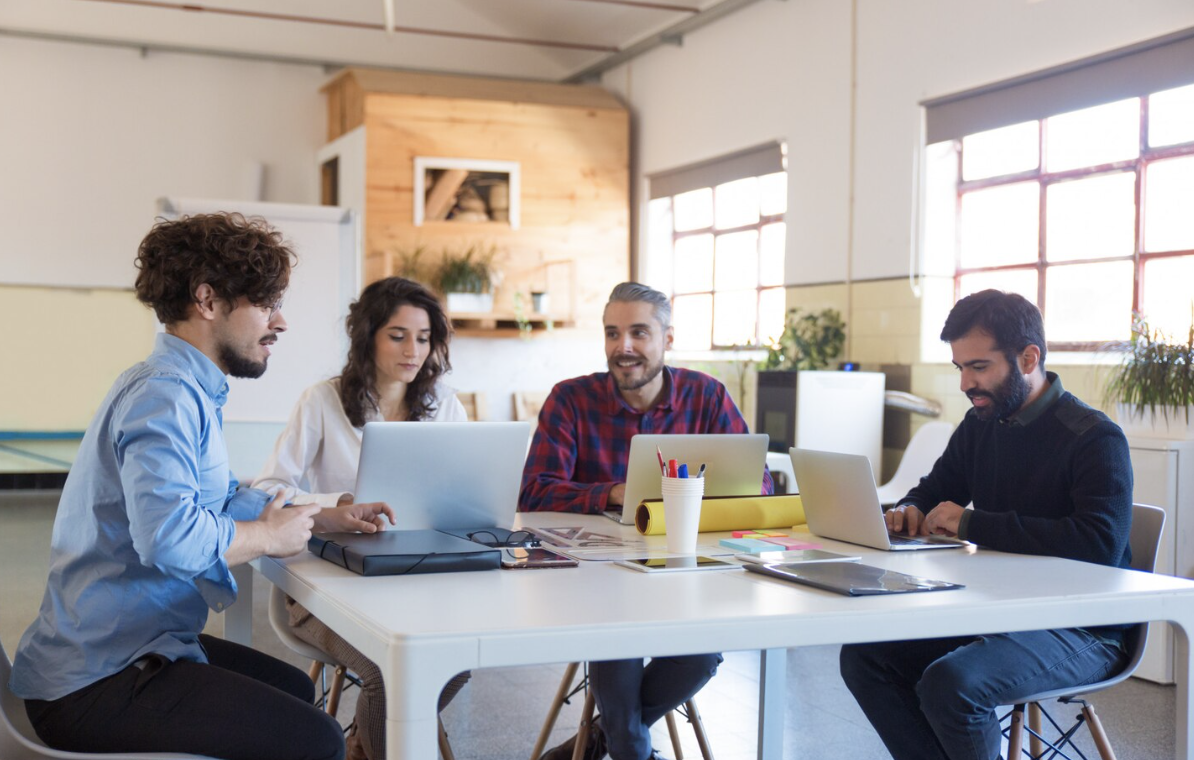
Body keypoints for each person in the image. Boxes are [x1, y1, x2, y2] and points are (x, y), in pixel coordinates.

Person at [9, 213, 395, 760]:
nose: (280, 322)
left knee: (296, 690)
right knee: (318, 740)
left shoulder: (181, 386)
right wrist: (264, 537)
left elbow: (214, 499)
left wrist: (318, 517)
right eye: (266, 304)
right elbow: (170, 538)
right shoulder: (165, 396)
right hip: (95, 680)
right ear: (208, 301)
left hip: (129, 648)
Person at [838, 289, 1133, 760]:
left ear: (1028, 357)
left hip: (1083, 628)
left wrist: (973, 523)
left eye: (979, 367)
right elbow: (933, 489)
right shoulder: (981, 422)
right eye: (960, 368)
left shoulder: (1095, 437)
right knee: (865, 658)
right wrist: (910, 509)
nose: (965, 384)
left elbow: (1097, 544)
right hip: (996, 611)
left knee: (953, 684)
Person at [521, 282, 772, 760]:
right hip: (595, 582)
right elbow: (534, 489)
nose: (624, 347)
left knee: (701, 653)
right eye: (613, 334)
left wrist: (695, 498)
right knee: (617, 634)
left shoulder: (707, 397)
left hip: (682, 577)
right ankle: (632, 747)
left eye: (639, 332)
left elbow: (757, 485)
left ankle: (595, 743)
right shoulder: (570, 400)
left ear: (668, 339)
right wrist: (613, 493)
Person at [253, 276, 469, 760]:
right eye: (398, 335)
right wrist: (338, 502)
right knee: (384, 670)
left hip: (417, 580)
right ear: (367, 335)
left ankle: (364, 745)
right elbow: (267, 490)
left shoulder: (444, 406)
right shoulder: (322, 401)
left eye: (423, 337)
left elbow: (465, 492)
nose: (413, 350)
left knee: (457, 664)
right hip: (326, 581)